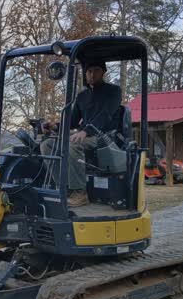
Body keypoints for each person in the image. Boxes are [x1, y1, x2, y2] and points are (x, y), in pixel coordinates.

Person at [39, 61, 122, 207]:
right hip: (85, 135)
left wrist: (86, 131)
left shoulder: (113, 91)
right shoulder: (82, 96)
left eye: (96, 70)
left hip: (104, 137)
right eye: (89, 70)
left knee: (73, 144)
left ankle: (80, 193)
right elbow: (72, 121)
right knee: (47, 145)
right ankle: (64, 189)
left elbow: (106, 115)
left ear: (103, 72)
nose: (91, 74)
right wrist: (54, 126)